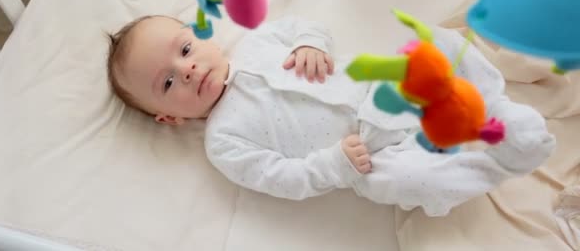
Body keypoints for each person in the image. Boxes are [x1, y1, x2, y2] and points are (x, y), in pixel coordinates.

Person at [106, 14, 555, 216]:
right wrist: (334, 165)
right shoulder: (222, 142)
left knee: (435, 43)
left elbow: (307, 25)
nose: (187, 70)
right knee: (403, 184)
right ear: (168, 118)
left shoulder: (257, 43)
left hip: (379, 91)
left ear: (198, 35)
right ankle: (497, 164)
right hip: (366, 157)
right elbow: (281, 177)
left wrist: (310, 45)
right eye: (167, 83)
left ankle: (497, 107)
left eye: (185, 50)